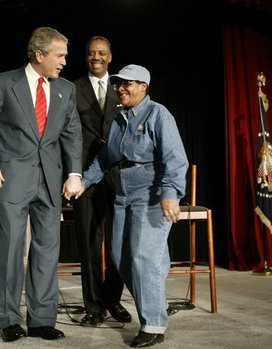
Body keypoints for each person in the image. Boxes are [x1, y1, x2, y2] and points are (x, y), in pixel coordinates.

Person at [0, 26, 83, 343]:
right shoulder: (4, 83)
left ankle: (42, 319)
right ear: (39, 54)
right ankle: (7, 319)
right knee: (11, 248)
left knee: (47, 251)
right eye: (59, 55)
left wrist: (75, 173)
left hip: (50, 180)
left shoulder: (66, 89)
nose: (64, 61)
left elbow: (72, 135)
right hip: (12, 178)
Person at [74, 64, 188, 347]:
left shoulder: (158, 114)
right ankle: (157, 301)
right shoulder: (119, 119)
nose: (121, 88)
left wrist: (171, 193)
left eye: (128, 83)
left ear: (144, 87)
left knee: (144, 258)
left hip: (151, 194)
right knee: (121, 258)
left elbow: (175, 157)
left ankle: (153, 324)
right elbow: (104, 158)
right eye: (118, 84)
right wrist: (84, 181)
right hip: (122, 194)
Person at [72, 36, 131, 327]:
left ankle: (111, 297)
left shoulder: (122, 88)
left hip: (118, 175)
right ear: (86, 57)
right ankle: (94, 307)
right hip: (84, 175)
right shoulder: (72, 89)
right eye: (91, 53)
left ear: (110, 57)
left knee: (119, 243)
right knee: (89, 244)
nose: (96, 57)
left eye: (101, 53)